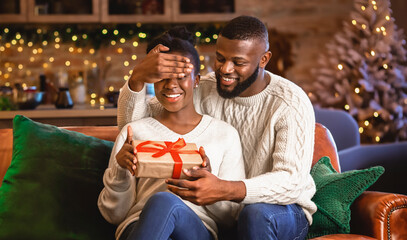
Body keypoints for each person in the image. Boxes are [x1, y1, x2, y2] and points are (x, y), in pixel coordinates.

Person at [117, 15, 316, 240]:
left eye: (238, 62)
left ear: (264, 59)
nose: (225, 69)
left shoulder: (290, 102)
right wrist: (137, 80)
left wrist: (225, 188)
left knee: (256, 213)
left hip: (281, 209)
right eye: (220, 58)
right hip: (223, 211)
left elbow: (291, 181)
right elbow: (137, 129)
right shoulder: (205, 86)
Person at [98, 26, 245, 240]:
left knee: (165, 201)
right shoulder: (135, 132)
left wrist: (212, 187)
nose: (171, 85)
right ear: (153, 80)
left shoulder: (224, 135)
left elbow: (231, 218)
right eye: (163, 77)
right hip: (140, 227)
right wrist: (121, 170)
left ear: (196, 80)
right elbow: (113, 214)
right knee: (161, 202)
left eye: (181, 76)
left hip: (195, 231)